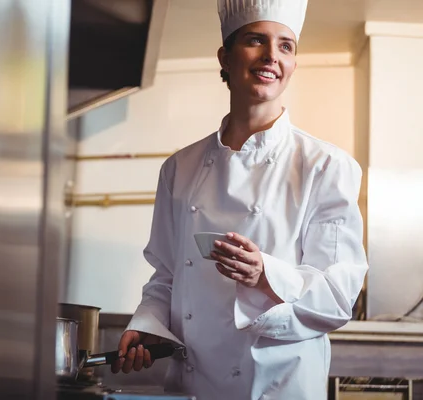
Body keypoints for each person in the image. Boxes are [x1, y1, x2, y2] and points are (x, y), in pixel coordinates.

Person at [110, 0, 369, 399]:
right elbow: (166, 276)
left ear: (294, 64)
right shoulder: (179, 168)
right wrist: (148, 324)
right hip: (192, 385)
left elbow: (336, 299)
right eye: (255, 40)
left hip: (276, 387)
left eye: (286, 46)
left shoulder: (326, 166)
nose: (271, 56)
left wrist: (264, 274)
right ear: (225, 57)